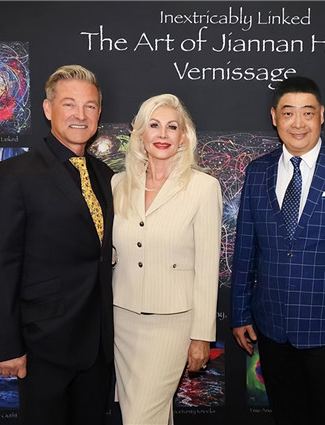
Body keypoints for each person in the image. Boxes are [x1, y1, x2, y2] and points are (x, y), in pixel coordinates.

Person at [231, 76, 325, 425]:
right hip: (272, 326)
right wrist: (239, 313)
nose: (298, 123)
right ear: (275, 117)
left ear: (321, 116)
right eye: (288, 113)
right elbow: (245, 249)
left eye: (308, 113)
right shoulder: (258, 171)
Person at [0, 65, 114, 425]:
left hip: (99, 346)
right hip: (42, 346)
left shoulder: (105, 176)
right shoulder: (14, 175)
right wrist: (6, 347)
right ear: (48, 109)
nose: (80, 115)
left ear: (99, 112)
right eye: (69, 104)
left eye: (90, 106)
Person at [111, 94, 222, 424]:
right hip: (121, 318)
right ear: (140, 134)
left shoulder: (203, 187)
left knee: (141, 417)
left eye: (172, 127)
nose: (162, 134)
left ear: (184, 136)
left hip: (171, 324)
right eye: (154, 125)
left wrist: (201, 335)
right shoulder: (118, 184)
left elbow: (207, 267)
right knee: (147, 414)